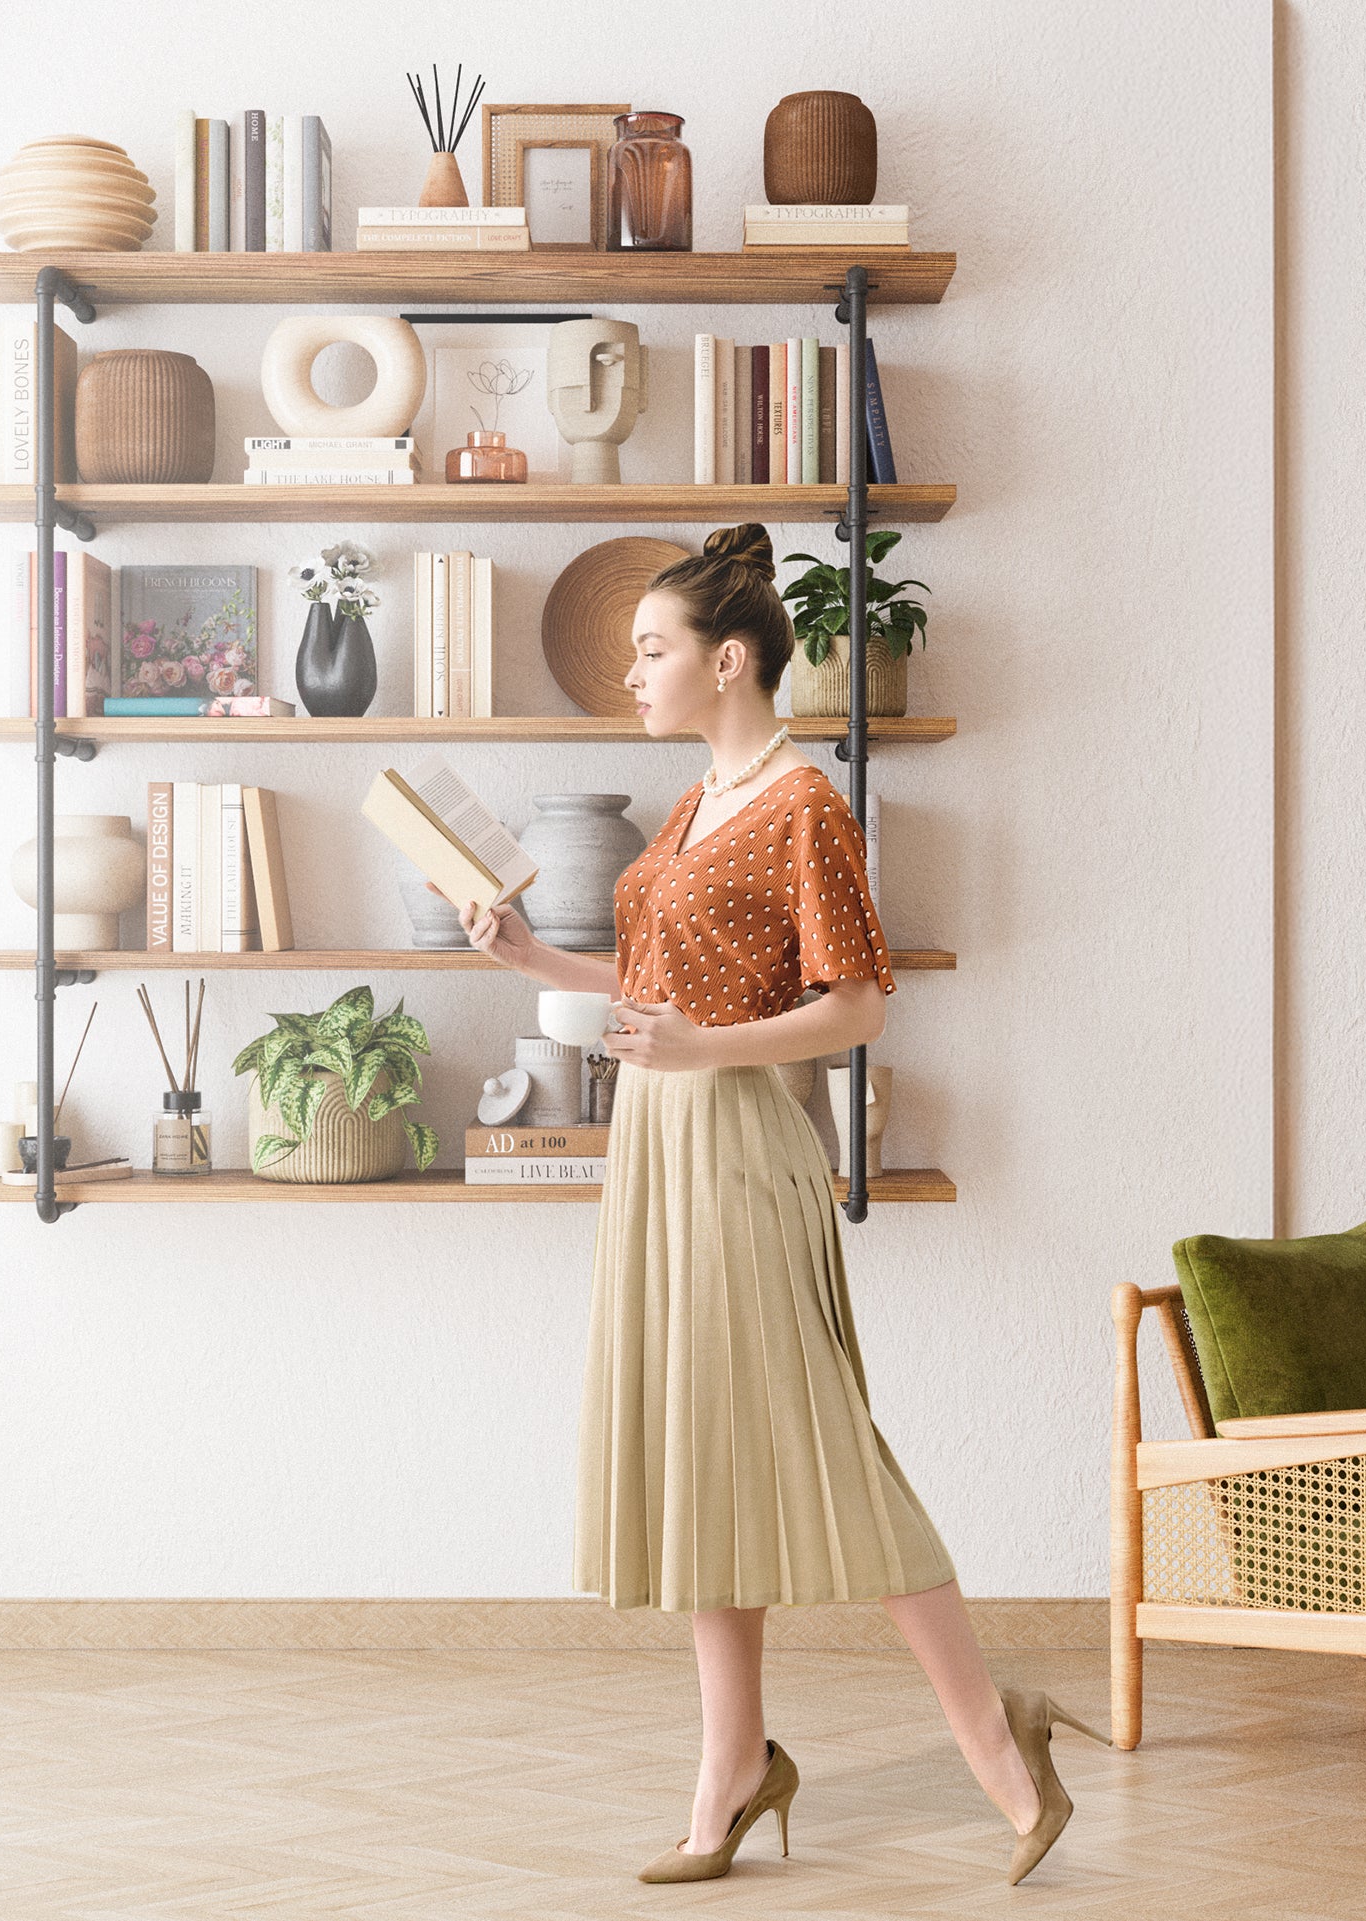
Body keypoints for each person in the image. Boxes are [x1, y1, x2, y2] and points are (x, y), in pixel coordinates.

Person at [432, 524, 1103, 1886]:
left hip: (738, 1141)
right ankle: (731, 1765)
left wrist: (701, 1052)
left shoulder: (804, 805)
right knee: (700, 1452)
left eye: (650, 651)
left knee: (821, 1444)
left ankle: (995, 1733)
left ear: (727, 660)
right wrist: (525, 954)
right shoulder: (691, 806)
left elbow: (851, 1002)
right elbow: (649, 994)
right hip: (659, 1141)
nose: (630, 674)